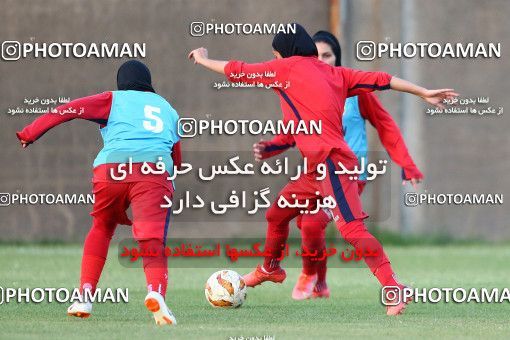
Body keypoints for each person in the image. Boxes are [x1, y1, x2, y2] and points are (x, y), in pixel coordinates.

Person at [188, 23, 457, 315]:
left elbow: (237, 70)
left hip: (333, 164)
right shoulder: (337, 74)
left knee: (352, 229)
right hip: (316, 168)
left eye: (276, 55)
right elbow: (382, 79)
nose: (275, 60)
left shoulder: (287, 68)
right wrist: (422, 92)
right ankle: (270, 269)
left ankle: (393, 288)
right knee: (276, 214)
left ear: (285, 54)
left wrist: (202, 59)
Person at [253, 30, 423, 300]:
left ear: (337, 57)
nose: (321, 60)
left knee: (312, 224)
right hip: (318, 171)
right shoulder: (303, 90)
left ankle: (316, 278)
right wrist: (271, 147)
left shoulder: (354, 90)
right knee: (287, 216)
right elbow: (293, 132)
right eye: (316, 55)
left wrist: (406, 163)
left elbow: (386, 125)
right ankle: (313, 279)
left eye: (327, 55)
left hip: (349, 175)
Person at [16, 60, 181, 326]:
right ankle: (156, 294)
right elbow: (178, 159)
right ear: (148, 83)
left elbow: (67, 110)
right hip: (154, 172)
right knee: (151, 240)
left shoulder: (111, 99)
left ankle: (84, 296)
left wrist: (30, 133)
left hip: (111, 169)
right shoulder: (168, 109)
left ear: (121, 83)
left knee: (102, 227)